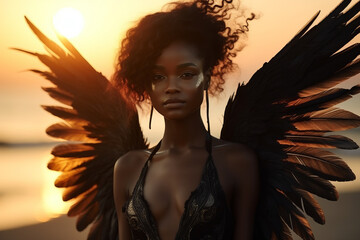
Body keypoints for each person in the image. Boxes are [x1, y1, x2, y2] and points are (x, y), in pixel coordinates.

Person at [112, 0, 259, 239]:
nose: (171, 87)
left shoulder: (237, 162)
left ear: (208, 78)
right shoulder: (127, 167)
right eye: (158, 76)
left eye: (186, 74)